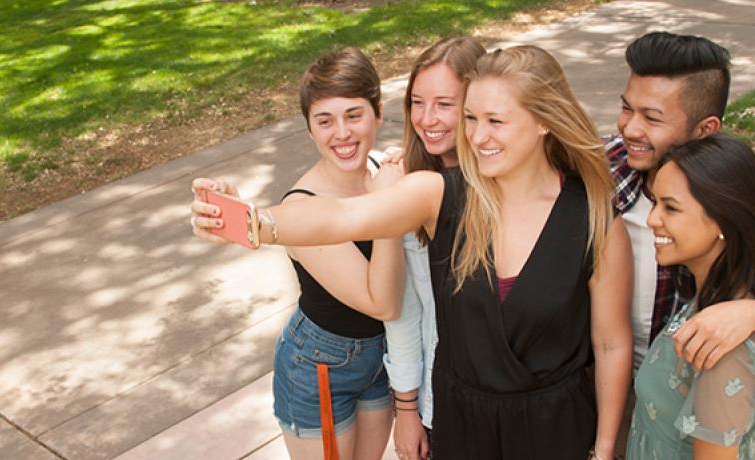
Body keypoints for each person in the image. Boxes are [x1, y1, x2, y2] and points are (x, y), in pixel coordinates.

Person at [191, 45, 633, 460]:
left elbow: (611, 342)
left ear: (544, 121)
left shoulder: (594, 220)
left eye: (495, 121)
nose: (478, 136)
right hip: (462, 428)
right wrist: (252, 221)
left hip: (555, 429)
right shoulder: (439, 195)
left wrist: (604, 448)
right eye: (471, 118)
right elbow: (339, 217)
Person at [607, 32, 755, 371]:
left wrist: (754, 313)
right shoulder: (606, 163)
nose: (630, 129)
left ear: (706, 129)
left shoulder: (737, 201)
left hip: (687, 392)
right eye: (626, 108)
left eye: (652, 118)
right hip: (596, 384)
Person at [268, 47, 406, 460]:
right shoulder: (303, 207)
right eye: (325, 121)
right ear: (310, 130)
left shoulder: (382, 170)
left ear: (378, 113)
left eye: (354, 115)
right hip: (320, 367)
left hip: (380, 357)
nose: (341, 133)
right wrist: (389, 206)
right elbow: (383, 303)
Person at [627, 134, 755, 459]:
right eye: (655, 203)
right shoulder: (713, 296)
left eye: (670, 208)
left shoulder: (723, 348)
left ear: (723, 219)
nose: (651, 220)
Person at [380, 36, 485, 460]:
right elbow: (406, 313)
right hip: (439, 403)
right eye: (417, 103)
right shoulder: (408, 186)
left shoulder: (510, 185)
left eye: (444, 104)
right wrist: (407, 409)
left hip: (510, 403)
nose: (426, 119)